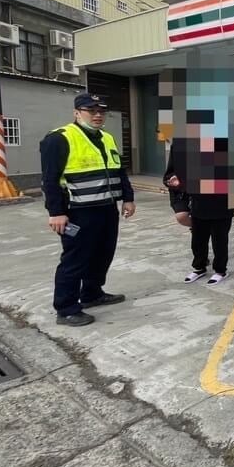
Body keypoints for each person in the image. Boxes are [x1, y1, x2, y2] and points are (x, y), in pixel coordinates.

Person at [40, 92, 135, 327]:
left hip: (106, 209)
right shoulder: (59, 138)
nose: (97, 115)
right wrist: (56, 212)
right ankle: (66, 308)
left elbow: (119, 170)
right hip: (77, 212)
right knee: (75, 259)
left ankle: (92, 293)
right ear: (77, 113)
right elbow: (49, 180)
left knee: (103, 254)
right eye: (91, 110)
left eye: (101, 111)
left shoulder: (107, 138)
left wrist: (128, 198)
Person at [163, 137, 234, 285]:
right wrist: (175, 180)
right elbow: (171, 172)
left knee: (219, 237)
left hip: (221, 198)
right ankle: (199, 267)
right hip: (197, 198)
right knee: (198, 238)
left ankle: (220, 270)